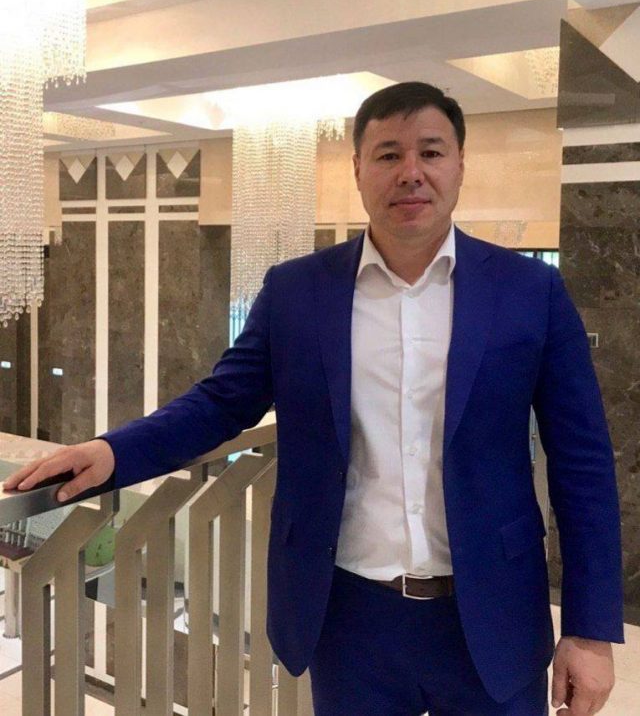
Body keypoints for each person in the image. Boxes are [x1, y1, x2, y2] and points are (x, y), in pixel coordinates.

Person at [4, 82, 623, 716]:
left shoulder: (531, 291)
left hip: (492, 611)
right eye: (388, 155)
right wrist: (112, 453)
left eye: (431, 152)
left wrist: (590, 629)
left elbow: (583, 463)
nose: (411, 173)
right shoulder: (299, 291)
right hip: (348, 619)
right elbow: (221, 403)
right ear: (357, 169)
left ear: (460, 164)